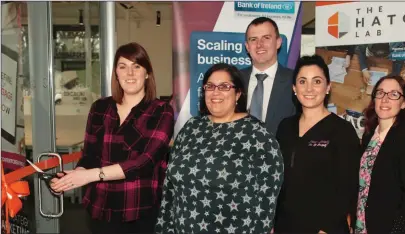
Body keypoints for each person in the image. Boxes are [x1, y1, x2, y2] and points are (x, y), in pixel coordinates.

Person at [50, 42, 174, 234]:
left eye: (136, 66)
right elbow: (90, 154)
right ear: (116, 73)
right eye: (123, 67)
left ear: (147, 73)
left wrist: (89, 175)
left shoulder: (161, 111)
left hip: (139, 212)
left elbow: (144, 162)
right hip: (99, 209)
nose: (130, 74)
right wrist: (72, 178)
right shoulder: (100, 108)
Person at [154, 63, 284, 234]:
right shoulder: (191, 127)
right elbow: (170, 189)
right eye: (210, 86)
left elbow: (266, 206)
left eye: (224, 86)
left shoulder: (258, 135)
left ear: (238, 93)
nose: (216, 92)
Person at [274, 55, 361, 233]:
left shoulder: (342, 131)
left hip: (324, 228)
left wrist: (326, 227)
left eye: (317, 81)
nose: (309, 89)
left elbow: (348, 186)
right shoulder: (285, 127)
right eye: (302, 81)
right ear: (294, 88)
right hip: (286, 225)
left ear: (328, 87)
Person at [354, 75, 405, 234]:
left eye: (393, 94)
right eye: (380, 93)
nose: (385, 99)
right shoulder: (369, 136)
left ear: (404, 103)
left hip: (392, 228)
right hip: (364, 225)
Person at [241, 16, 296, 135]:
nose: (259, 44)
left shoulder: (295, 81)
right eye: (253, 39)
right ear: (247, 47)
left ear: (278, 42)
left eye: (266, 38)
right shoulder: (234, 80)